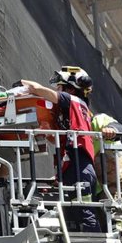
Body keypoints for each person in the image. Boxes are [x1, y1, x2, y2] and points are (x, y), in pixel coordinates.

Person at [20, 66, 103, 233]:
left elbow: (37, 89)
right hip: (77, 168)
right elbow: (57, 138)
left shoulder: (71, 100)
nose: (57, 91)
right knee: (75, 214)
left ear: (71, 88)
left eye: (60, 87)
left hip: (80, 169)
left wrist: (21, 85)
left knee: (85, 214)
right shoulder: (79, 110)